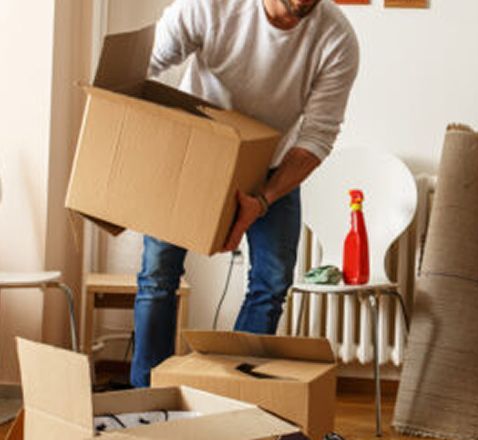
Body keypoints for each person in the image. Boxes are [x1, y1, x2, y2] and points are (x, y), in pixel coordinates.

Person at [130, 0, 359, 387]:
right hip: (199, 151)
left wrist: (264, 200)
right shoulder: (211, 6)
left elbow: (318, 135)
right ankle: (145, 393)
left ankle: (233, 394)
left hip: (273, 165)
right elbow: (143, 64)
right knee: (158, 273)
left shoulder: (336, 39)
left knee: (271, 283)